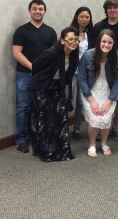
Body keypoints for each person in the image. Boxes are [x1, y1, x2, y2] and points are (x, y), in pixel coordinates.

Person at [12, 0, 57, 153]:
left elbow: (53, 54)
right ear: (29, 11)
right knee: (23, 108)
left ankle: (38, 136)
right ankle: (22, 139)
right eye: (35, 9)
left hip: (43, 76)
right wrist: (33, 67)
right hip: (24, 74)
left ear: (45, 11)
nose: (38, 11)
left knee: (41, 107)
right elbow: (16, 53)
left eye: (41, 9)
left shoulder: (50, 31)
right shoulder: (21, 31)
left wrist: (43, 70)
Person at [29, 27, 79, 162]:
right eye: (70, 39)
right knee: (45, 120)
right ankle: (46, 152)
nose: (73, 42)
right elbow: (35, 66)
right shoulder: (52, 53)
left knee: (60, 118)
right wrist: (42, 81)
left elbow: (67, 75)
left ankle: (61, 151)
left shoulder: (74, 54)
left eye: (76, 39)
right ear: (62, 41)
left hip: (57, 87)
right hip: (42, 88)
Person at [78, 29, 118, 157]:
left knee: (105, 118)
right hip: (90, 92)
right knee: (94, 119)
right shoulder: (87, 55)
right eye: (104, 41)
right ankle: (92, 144)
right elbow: (81, 78)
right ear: (99, 42)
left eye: (110, 42)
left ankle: (104, 143)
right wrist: (91, 100)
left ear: (113, 44)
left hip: (109, 92)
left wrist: (110, 100)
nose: (106, 45)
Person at [93, 0, 118, 141]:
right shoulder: (98, 26)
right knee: (101, 97)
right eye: (110, 7)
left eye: (115, 8)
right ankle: (102, 127)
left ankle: (115, 127)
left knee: (116, 99)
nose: (112, 10)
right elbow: (94, 48)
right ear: (106, 10)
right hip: (101, 67)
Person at [70, 7, 95, 141]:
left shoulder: (91, 34)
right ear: (76, 17)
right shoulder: (70, 32)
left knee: (81, 102)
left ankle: (76, 129)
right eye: (82, 16)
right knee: (67, 99)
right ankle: (61, 127)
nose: (84, 19)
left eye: (87, 17)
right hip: (71, 71)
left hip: (85, 72)